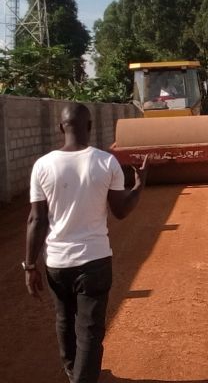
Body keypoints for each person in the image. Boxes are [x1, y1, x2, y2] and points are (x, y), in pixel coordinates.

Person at [23, 103, 149, 383]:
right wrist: (139, 186)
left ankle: (73, 372)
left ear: (61, 128)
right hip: (95, 261)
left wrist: (30, 266)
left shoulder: (42, 165)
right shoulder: (106, 162)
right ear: (90, 127)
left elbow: (36, 220)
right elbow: (120, 211)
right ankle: (82, 377)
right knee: (90, 330)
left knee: (64, 320)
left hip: (57, 262)